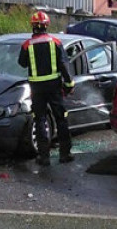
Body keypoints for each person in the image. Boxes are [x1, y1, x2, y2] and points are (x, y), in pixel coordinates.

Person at [17, 11, 75, 166]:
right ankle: (65, 154)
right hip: (54, 87)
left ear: (33, 26)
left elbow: (22, 63)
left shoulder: (27, 45)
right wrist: (69, 85)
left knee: (40, 119)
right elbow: (64, 64)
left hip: (36, 88)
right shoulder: (55, 42)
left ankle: (44, 157)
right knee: (61, 118)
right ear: (46, 25)